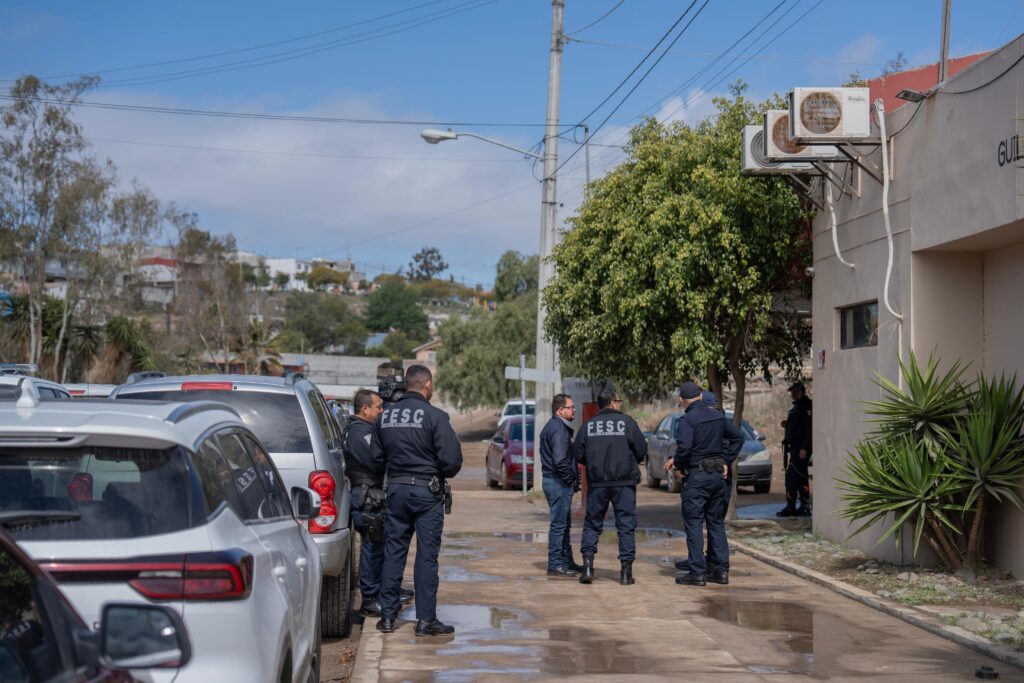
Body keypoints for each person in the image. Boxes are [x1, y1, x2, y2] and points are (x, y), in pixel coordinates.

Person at [375, 365, 463, 637]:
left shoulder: (384, 417)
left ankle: (388, 617)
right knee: (426, 557)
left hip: (396, 491)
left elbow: (375, 458)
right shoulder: (435, 416)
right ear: (427, 385)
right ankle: (426, 621)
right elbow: (451, 461)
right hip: (426, 494)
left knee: (393, 552)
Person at [342, 389, 413, 618]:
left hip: (373, 496)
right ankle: (370, 599)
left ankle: (384, 590)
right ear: (365, 409)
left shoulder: (365, 431)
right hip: (367, 496)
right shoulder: (358, 433)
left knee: (380, 546)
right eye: (378, 407)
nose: (381, 411)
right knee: (372, 549)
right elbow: (377, 460)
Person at [574, 388, 648, 586]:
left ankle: (588, 567)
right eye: (619, 401)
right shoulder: (627, 423)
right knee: (625, 526)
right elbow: (641, 449)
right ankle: (625, 572)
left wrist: (594, 462)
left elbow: (578, 453)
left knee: (592, 524)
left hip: (598, 483)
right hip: (624, 483)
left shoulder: (588, 426)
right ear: (614, 403)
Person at [673, 382, 744, 587]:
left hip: (697, 477)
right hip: (717, 478)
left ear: (682, 400)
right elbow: (738, 439)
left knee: (694, 523)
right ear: (701, 396)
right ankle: (721, 572)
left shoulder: (687, 420)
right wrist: (725, 461)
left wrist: (679, 465)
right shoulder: (719, 416)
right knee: (715, 523)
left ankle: (697, 573)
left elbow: (684, 448)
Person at [539, 393, 582, 577]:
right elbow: (560, 460)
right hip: (558, 482)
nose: (574, 410)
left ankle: (566, 561)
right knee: (558, 525)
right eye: (570, 407)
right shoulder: (558, 429)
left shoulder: (557, 427)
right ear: (560, 410)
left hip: (556, 481)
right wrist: (570, 479)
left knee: (564, 525)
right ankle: (555, 564)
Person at [778, 381, 813, 517]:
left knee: (791, 476)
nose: (792, 394)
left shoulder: (806, 406)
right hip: (794, 448)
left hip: (801, 449)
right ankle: (804, 506)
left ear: (801, 391)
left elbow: (809, 428)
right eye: (791, 392)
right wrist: (787, 424)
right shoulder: (797, 406)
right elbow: (797, 425)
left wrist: (805, 447)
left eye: (794, 392)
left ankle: (791, 506)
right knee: (801, 477)